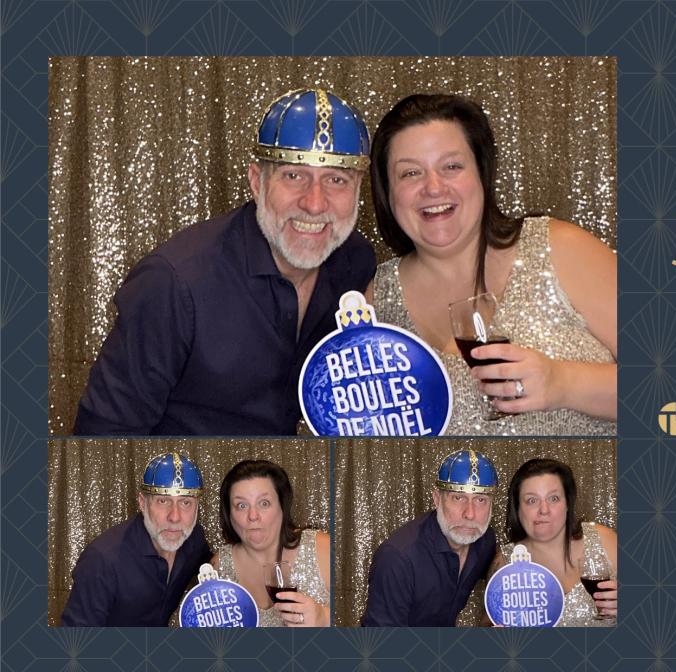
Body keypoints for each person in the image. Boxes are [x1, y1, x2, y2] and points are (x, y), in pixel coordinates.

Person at [74, 88, 377, 435]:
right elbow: (103, 435)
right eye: (294, 176)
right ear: (257, 181)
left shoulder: (357, 262)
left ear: (358, 189)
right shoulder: (173, 283)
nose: (314, 203)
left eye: (336, 180)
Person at [367, 94, 616, 435]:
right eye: (410, 173)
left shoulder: (561, 248)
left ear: (482, 173)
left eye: (452, 166)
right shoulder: (374, 305)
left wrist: (564, 383)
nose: (433, 187)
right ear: (388, 192)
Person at [61, 452, 212, 626]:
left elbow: (209, 563)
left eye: (185, 502)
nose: (175, 517)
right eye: (163, 501)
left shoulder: (194, 538)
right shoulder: (101, 560)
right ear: (142, 503)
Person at [361, 450, 498, 626]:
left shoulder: (484, 540)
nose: (470, 514)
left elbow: (500, 575)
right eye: (458, 497)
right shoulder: (397, 558)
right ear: (437, 499)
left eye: (480, 500)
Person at [489, 458, 617, 627]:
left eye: (553, 498)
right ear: (518, 509)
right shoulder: (505, 563)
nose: (544, 510)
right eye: (532, 500)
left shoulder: (603, 539)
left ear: (568, 504)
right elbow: (489, 623)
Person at [212, 459, 330, 627]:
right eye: (241, 505)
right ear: (229, 514)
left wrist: (324, 618)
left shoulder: (322, 548)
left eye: (264, 503)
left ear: (283, 506)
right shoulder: (218, 567)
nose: (253, 516)